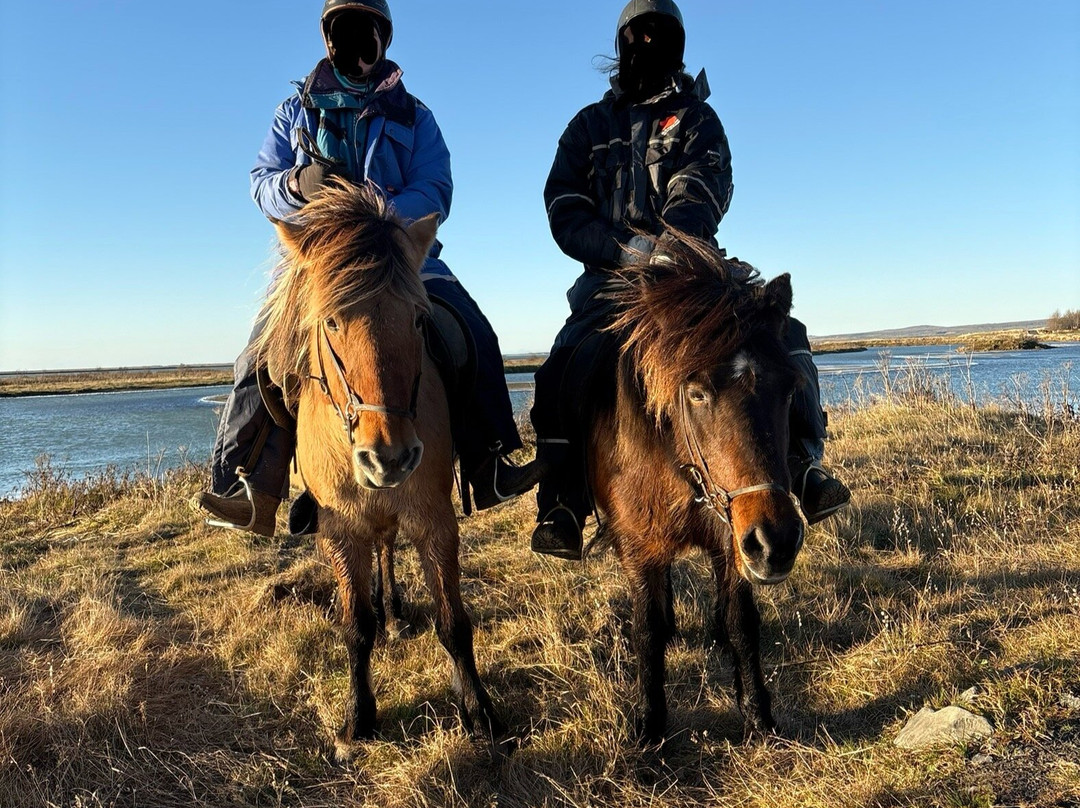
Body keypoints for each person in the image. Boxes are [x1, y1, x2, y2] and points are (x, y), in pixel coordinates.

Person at [195, 0, 541, 536]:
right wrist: (294, 186)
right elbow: (260, 180)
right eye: (344, 28)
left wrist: (375, 218)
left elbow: (435, 187)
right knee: (259, 352)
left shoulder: (415, 115)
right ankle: (249, 485)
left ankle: (487, 460)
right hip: (318, 263)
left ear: (384, 37)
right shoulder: (296, 110)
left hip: (401, 255)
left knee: (473, 330)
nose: (356, 39)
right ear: (328, 36)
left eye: (368, 29)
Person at [529, 0, 850, 560]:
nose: (647, 45)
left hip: (692, 269)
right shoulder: (587, 126)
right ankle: (563, 499)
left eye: (660, 35)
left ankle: (804, 463)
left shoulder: (698, 119)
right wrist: (629, 252)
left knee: (783, 337)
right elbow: (563, 205)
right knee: (564, 363)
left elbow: (705, 186)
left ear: (677, 45)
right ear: (623, 45)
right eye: (638, 35)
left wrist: (674, 249)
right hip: (609, 279)